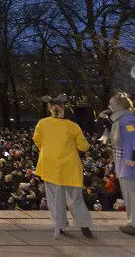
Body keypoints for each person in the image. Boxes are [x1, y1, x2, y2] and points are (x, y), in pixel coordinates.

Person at [33, 94, 93, 239]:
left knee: (54, 199)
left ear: (49, 108)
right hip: (70, 167)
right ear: (63, 107)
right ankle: (84, 225)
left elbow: (37, 141)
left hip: (49, 165)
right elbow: (84, 147)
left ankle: (59, 226)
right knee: (75, 198)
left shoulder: (42, 123)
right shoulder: (73, 126)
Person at [100, 92, 135, 235]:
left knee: (131, 194)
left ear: (120, 105)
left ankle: (133, 223)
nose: (109, 106)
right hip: (124, 164)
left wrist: (131, 161)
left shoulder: (127, 121)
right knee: (129, 194)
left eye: (111, 104)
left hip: (128, 164)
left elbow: (133, 141)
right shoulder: (119, 121)